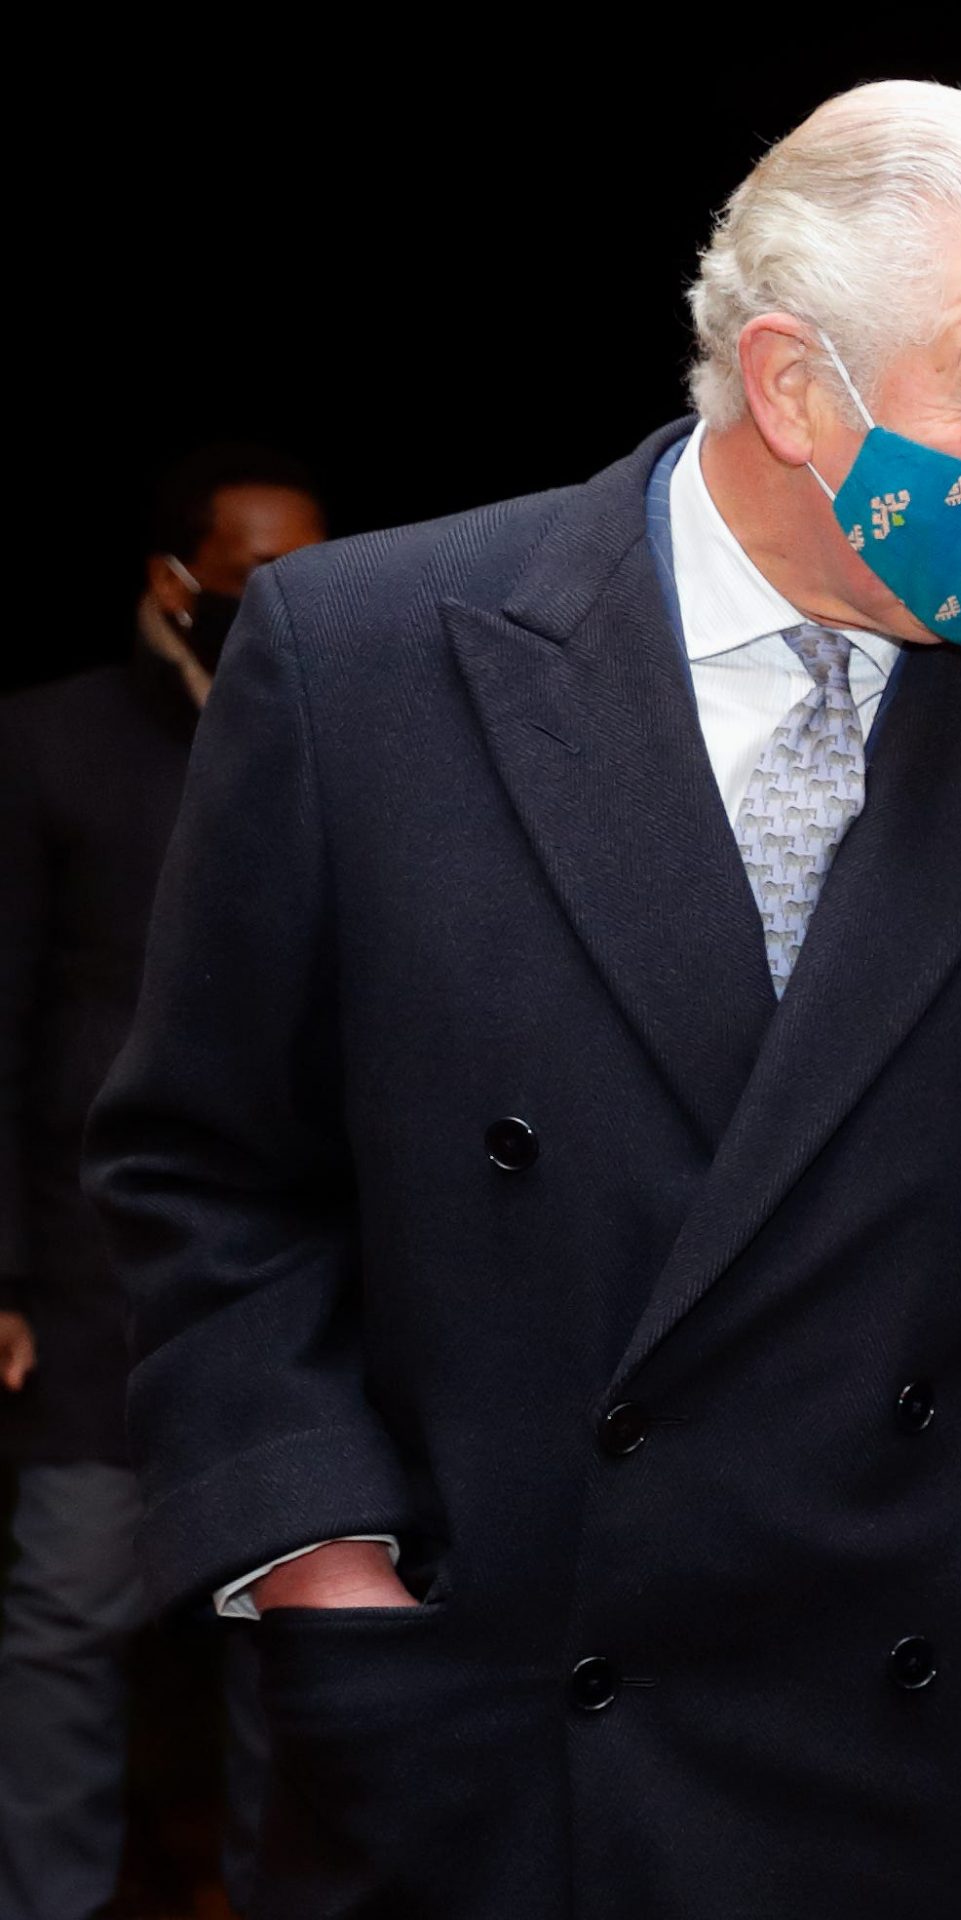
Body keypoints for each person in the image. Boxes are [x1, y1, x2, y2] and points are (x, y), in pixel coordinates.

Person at [83, 80, 961, 1918]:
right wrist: (318, 1556)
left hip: (954, 1761)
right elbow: (205, 1169)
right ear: (798, 389)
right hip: (501, 1751)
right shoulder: (368, 659)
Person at [1, 445, 325, 1920]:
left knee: (304, 1626)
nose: (290, 603)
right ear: (174, 580)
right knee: (70, 1620)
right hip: (97, 1286)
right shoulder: (50, 743)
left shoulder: (347, 729)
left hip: (312, 1284)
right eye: (259, 578)